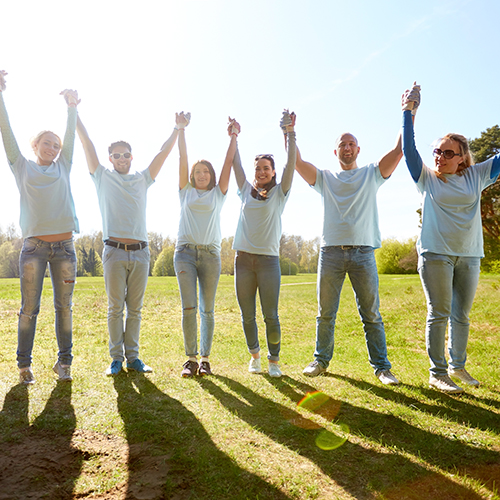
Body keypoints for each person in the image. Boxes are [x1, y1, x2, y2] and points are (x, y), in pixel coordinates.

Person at [295, 100, 409, 385]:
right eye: (342, 145)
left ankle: (382, 368)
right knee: (325, 313)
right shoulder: (325, 178)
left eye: (352, 144)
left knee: (371, 313)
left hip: (362, 253)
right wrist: (290, 131)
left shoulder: (371, 173)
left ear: (358, 150)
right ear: (336, 152)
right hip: (331, 253)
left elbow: (399, 150)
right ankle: (320, 361)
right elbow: (296, 163)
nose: (347, 148)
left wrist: (408, 112)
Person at [402, 84, 500, 394]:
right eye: (437, 152)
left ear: (462, 158)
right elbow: (409, 150)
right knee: (439, 312)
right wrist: (408, 112)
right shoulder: (427, 177)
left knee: (462, 315)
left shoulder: (476, 175)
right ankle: (438, 372)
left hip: (469, 255)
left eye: (448, 153)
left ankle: (458, 366)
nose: (440, 157)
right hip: (436, 255)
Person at [76, 109, 181, 376]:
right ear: (110, 158)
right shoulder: (102, 176)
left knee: (134, 309)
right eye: (116, 155)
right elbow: (87, 144)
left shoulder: (141, 179)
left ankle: (133, 358)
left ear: (131, 157)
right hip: (114, 251)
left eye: (125, 155)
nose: (121, 159)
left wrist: (177, 129)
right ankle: (116, 359)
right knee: (115, 309)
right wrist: (74, 112)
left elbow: (162, 155)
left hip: (141, 252)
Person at [0, 70, 79, 385]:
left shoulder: (64, 165)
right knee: (29, 308)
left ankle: (65, 364)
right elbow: (6, 132)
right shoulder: (21, 166)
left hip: (65, 248)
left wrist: (72, 108)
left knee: (65, 308)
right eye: (47, 143)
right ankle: (24, 367)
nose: (54, 147)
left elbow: (70, 137)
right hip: (33, 248)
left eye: (56, 144)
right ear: (35, 146)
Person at [232, 110, 297, 378]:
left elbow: (290, 164)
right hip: (244, 261)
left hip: (269, 262)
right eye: (257, 168)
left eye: (265, 168)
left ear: (272, 172)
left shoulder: (280, 193)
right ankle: (255, 356)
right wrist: (234, 136)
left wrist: (290, 133)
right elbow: (236, 165)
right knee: (248, 315)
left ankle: (273, 361)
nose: (260, 172)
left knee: (271, 315)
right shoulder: (245, 190)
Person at [174, 114, 238, 377]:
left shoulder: (218, 194)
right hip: (185, 254)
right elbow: (182, 159)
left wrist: (233, 137)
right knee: (189, 307)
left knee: (207, 309)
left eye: (205, 171)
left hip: (211, 255)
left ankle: (205, 360)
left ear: (211, 176)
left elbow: (227, 164)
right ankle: (190, 359)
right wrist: (181, 130)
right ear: (192, 176)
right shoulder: (185, 191)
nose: (201, 174)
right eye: (197, 172)